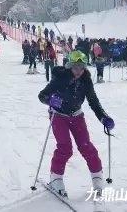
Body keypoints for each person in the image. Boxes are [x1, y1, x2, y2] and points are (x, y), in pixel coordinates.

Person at [37, 51, 114, 199]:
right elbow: (42, 95)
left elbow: (93, 102)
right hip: (58, 116)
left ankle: (97, 176)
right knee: (65, 148)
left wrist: (104, 118)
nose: (79, 71)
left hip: (77, 115)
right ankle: (56, 178)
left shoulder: (86, 80)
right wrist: (51, 100)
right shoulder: (60, 77)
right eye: (75, 67)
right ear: (70, 66)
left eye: (81, 67)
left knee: (86, 146)